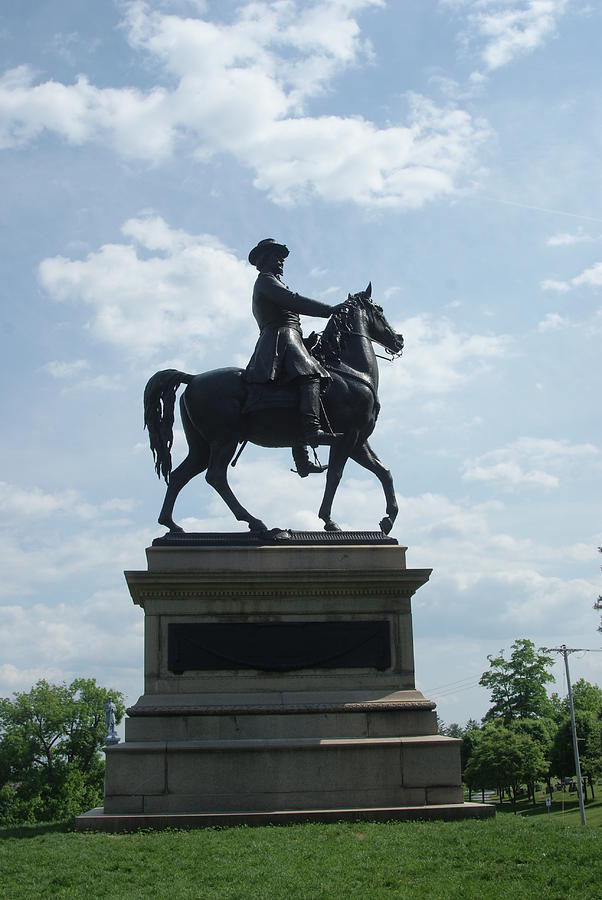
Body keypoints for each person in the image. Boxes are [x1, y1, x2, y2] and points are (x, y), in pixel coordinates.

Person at [245, 238, 344, 477]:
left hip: (290, 337)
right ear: (264, 260)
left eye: (281, 257)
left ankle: (302, 460)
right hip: (281, 337)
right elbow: (294, 301)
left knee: (297, 388)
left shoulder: (275, 282)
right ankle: (313, 431)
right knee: (311, 374)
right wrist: (328, 310)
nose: (281, 262)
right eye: (276, 257)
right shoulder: (266, 282)